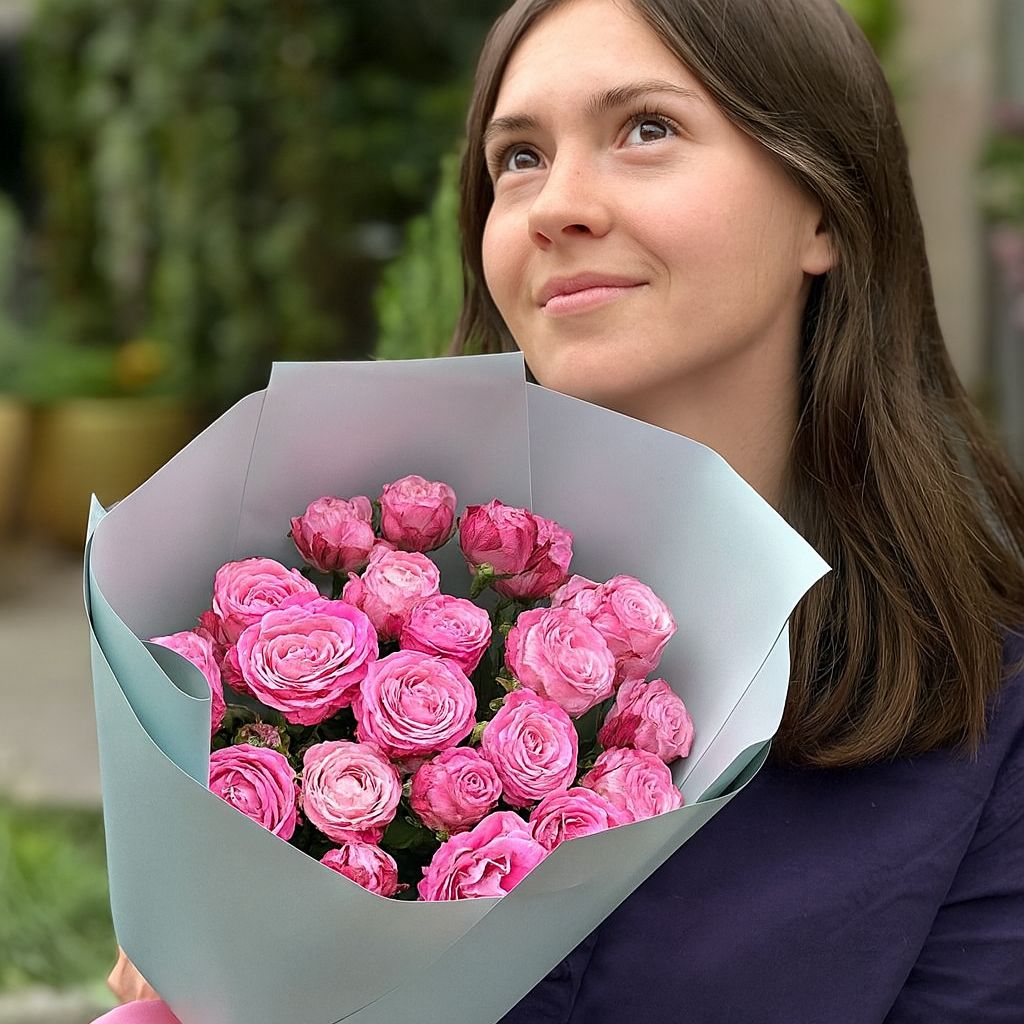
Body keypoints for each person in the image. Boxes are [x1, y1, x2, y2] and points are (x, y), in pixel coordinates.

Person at [105, 0, 1024, 1021]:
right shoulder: (335, 641)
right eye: (520, 159)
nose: (558, 205)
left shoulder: (991, 713)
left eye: (646, 130)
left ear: (821, 207)